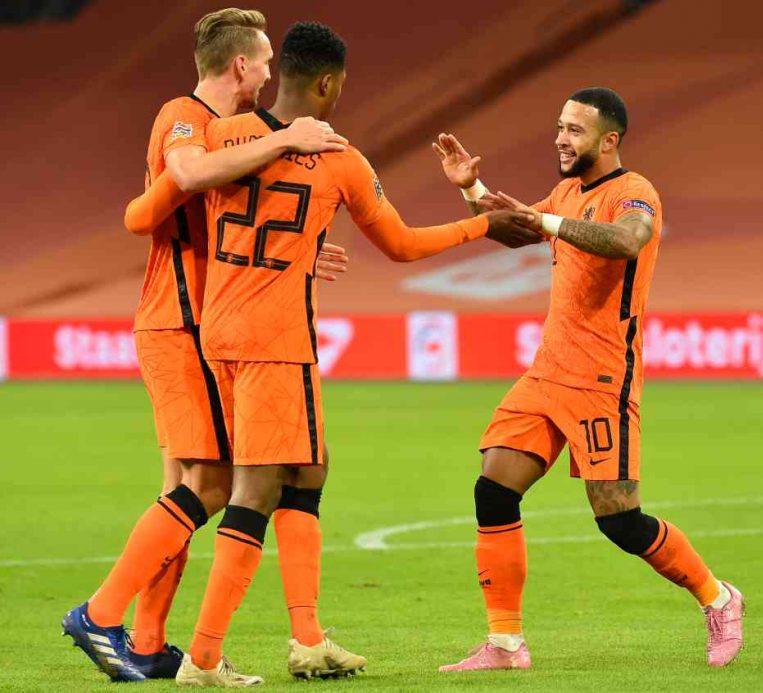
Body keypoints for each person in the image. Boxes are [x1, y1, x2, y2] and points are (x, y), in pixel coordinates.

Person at [147, 21, 538, 686]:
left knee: (309, 468)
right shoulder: (339, 157)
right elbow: (401, 244)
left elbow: (167, 205)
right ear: (328, 84)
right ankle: (204, 657)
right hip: (278, 340)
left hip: (219, 330)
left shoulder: (224, 135)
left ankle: (309, 640)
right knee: (256, 488)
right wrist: (481, 223)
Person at [61, 8, 347, 683]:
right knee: (210, 484)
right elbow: (187, 177)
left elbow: (204, 215)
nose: (272, 74)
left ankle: (147, 642)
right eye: (266, 61)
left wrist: (300, 252)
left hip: (202, 323)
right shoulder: (184, 116)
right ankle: (103, 616)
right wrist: (288, 138)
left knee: (193, 486)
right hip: (182, 322)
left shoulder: (234, 136)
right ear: (241, 64)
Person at [432, 87, 745, 673]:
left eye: (574, 130)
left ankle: (719, 599)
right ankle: (505, 644)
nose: (560, 138)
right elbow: (519, 230)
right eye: (560, 126)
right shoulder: (568, 192)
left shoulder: (635, 192)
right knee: (493, 490)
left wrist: (548, 220)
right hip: (548, 370)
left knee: (620, 521)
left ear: (609, 140)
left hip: (604, 378)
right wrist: (472, 190)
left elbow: (626, 240)